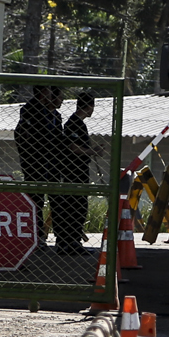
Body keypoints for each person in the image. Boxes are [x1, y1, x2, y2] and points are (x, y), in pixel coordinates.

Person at [14, 86, 64, 247]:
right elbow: (26, 136)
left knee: (57, 199)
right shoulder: (30, 110)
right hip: (36, 162)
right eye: (48, 91)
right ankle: (37, 236)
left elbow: (58, 139)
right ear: (43, 93)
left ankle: (60, 237)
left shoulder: (55, 116)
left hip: (52, 163)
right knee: (36, 199)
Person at [54, 93, 95, 254]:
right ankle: (70, 241)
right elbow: (73, 147)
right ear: (89, 106)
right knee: (74, 206)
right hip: (73, 171)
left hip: (80, 171)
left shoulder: (79, 124)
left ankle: (73, 240)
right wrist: (91, 152)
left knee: (79, 206)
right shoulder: (73, 124)